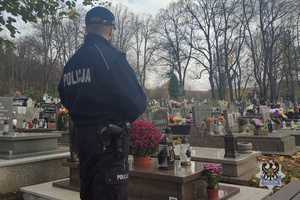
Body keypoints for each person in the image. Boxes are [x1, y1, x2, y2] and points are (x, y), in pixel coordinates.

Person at [58, 6, 147, 200]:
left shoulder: (71, 63)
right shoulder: (111, 58)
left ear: (86, 29)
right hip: (108, 143)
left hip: (83, 141)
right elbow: (137, 103)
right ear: (110, 30)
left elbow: (64, 97)